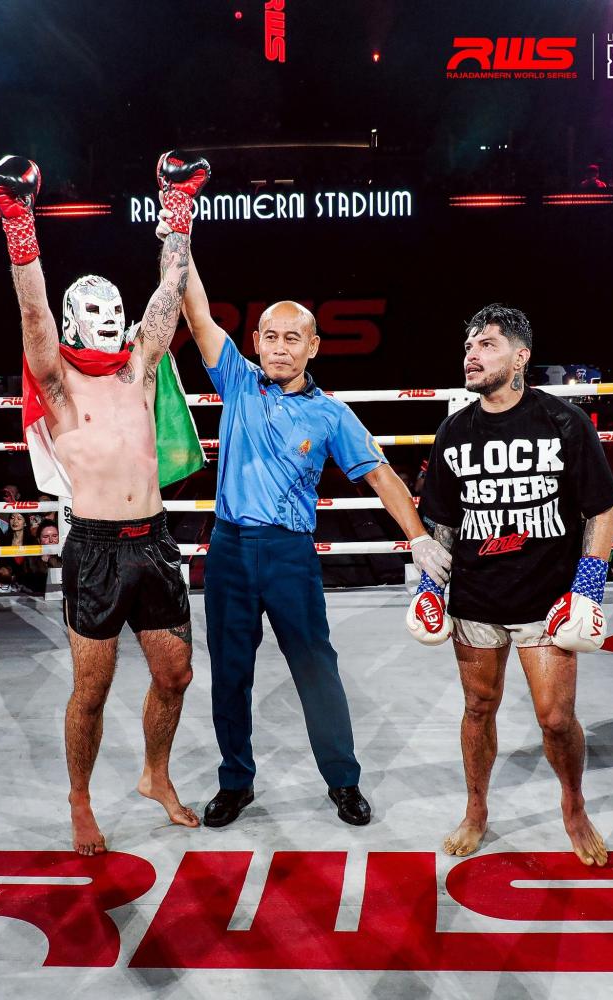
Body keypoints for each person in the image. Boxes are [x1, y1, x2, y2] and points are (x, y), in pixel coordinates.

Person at [0, 151, 209, 854]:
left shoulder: (140, 367)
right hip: (97, 548)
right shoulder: (57, 382)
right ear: (76, 322)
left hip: (155, 540)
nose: (112, 324)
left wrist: (178, 210)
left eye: (117, 314)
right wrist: (18, 223)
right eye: (98, 316)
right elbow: (31, 310)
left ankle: (154, 775)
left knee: (175, 673)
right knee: (92, 688)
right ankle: (80, 799)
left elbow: (169, 291)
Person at [178, 246, 432, 829]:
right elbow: (198, 314)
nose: (279, 347)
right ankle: (235, 781)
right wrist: (181, 241)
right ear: (256, 342)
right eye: (270, 337)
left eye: (292, 338)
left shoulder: (331, 414)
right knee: (230, 673)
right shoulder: (238, 381)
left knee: (316, 667)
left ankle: (343, 780)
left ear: (313, 347)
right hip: (230, 550)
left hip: (290, 555)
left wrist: (418, 539)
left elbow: (382, 476)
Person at [409, 304, 613, 867]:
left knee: (555, 718)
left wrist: (588, 587)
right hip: (475, 597)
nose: (471, 356)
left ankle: (574, 806)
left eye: (487, 345)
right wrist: (428, 587)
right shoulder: (454, 430)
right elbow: (441, 524)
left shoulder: (563, 422)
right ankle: (476, 809)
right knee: (479, 707)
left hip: (548, 598)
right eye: (469, 346)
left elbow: (601, 510)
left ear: (521, 356)